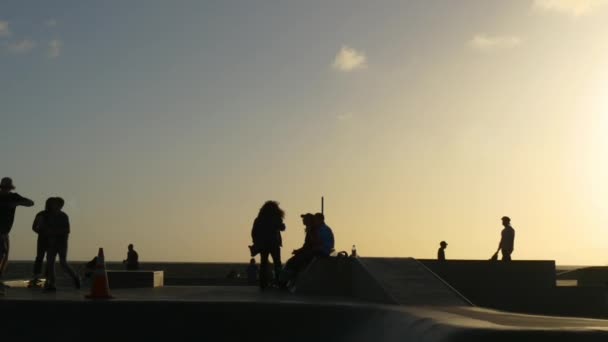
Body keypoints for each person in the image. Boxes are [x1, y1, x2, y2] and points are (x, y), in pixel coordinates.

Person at [0, 177, 34, 295]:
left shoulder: (13, 197)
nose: (5, 189)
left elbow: (30, 203)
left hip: (5, 232)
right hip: (2, 232)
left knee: (4, 256)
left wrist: (16, 203)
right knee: (2, 254)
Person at [43, 197, 80, 291]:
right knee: (50, 263)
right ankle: (52, 284)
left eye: (55, 204)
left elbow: (67, 230)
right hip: (51, 243)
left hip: (61, 243)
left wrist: (54, 232)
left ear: (60, 205)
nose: (52, 205)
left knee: (63, 263)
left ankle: (75, 278)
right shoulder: (48, 216)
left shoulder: (63, 216)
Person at [249, 201, 286, 289]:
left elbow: (254, 232)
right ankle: (280, 282)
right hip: (274, 243)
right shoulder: (276, 218)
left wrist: (256, 242)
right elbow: (282, 228)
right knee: (277, 263)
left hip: (263, 244)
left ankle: (263, 284)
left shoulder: (259, 219)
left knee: (263, 263)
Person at [279, 213, 322, 288]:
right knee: (290, 262)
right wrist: (298, 251)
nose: (303, 220)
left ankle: (283, 283)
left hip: (309, 254)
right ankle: (284, 282)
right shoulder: (310, 230)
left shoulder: (313, 230)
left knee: (292, 263)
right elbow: (306, 245)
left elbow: (314, 243)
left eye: (304, 219)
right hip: (307, 252)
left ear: (308, 221)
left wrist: (300, 251)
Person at [29, 198, 54, 287]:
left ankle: (41, 278)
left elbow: (34, 227)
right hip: (46, 239)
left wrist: (40, 232)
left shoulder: (42, 214)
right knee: (45, 258)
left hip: (45, 238)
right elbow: (34, 227)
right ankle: (42, 279)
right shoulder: (44, 214)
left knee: (43, 258)